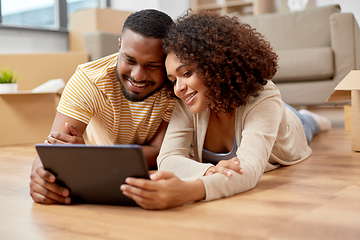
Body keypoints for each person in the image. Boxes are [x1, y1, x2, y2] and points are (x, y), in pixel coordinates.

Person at [120, 10, 331, 209]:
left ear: (213, 64)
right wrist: (209, 170)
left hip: (289, 124)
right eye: (173, 79)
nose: (179, 88)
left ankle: (309, 116)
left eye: (187, 73)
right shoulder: (186, 98)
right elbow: (167, 159)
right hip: (263, 112)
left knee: (307, 124)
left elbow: (248, 170)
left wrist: (188, 191)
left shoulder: (263, 95)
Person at [30, 9, 176, 204]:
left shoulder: (175, 86)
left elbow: (159, 151)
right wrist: (39, 174)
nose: (138, 76)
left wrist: (89, 157)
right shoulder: (88, 80)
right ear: (119, 47)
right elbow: (55, 147)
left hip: (147, 181)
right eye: (129, 60)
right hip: (95, 178)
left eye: (152, 66)